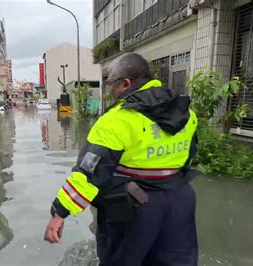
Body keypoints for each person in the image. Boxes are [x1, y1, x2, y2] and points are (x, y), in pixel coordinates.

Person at [44, 53, 199, 266]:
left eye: (111, 85)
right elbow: (189, 157)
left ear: (126, 83)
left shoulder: (117, 119)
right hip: (181, 201)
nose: (110, 91)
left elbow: (89, 174)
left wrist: (59, 212)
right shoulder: (186, 113)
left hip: (135, 206)